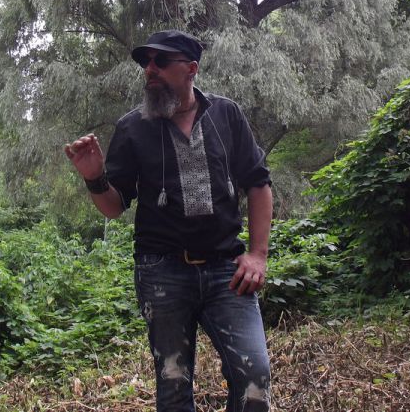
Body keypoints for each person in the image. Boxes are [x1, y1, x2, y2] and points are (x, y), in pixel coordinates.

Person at [63, 29, 273, 412]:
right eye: (146, 63)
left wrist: (258, 255)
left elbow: (258, 183)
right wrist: (94, 178)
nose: (150, 69)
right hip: (161, 273)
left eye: (161, 61)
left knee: (255, 378)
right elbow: (114, 206)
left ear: (191, 69)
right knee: (173, 388)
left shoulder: (226, 115)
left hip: (226, 271)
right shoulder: (132, 127)